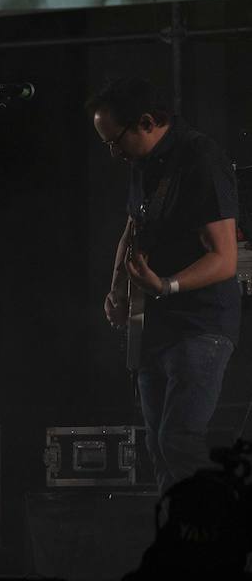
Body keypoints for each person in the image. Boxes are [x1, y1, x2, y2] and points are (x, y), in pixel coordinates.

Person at [89, 77, 239, 493]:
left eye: (115, 140)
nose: (112, 152)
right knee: (157, 447)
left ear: (148, 122)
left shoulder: (200, 159)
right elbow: (133, 225)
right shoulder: (143, 163)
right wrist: (117, 288)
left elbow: (224, 258)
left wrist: (166, 285)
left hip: (200, 325)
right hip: (155, 327)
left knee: (178, 440)